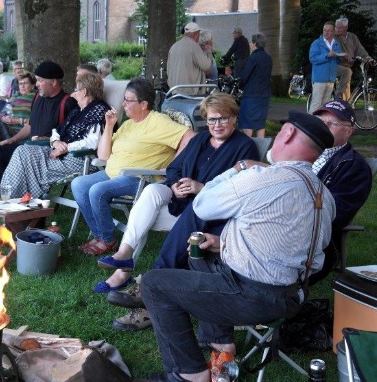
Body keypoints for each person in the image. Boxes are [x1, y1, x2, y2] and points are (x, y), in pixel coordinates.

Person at [141, 111, 336, 382]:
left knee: (153, 284)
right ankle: (220, 341)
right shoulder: (323, 194)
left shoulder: (262, 178)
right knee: (201, 256)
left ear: (288, 134)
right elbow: (295, 247)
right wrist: (224, 244)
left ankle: (188, 370)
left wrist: (238, 168)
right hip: (293, 296)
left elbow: (202, 204)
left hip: (253, 297)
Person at [94, 93, 259, 297]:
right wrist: (174, 185)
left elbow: (241, 189)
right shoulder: (199, 140)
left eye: (223, 119)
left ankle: (127, 274)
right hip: (178, 203)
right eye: (211, 119)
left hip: (204, 218)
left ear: (234, 118)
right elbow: (173, 168)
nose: (216, 125)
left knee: (142, 217)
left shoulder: (244, 147)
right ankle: (124, 254)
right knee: (152, 191)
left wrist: (201, 188)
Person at [71, 77, 195, 257]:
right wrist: (109, 126)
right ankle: (100, 235)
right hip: (112, 174)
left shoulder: (158, 122)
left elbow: (190, 137)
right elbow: (103, 156)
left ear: (143, 104)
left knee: (97, 190)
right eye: (124, 99)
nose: (123, 104)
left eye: (128, 100)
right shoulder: (128, 124)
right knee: (79, 184)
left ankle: (107, 240)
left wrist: (172, 166)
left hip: (140, 179)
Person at [0, 73, 110, 199]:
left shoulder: (99, 111)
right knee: (22, 151)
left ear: (84, 92)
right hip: (61, 154)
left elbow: (93, 142)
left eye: (76, 90)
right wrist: (55, 142)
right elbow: (57, 131)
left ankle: (11, 200)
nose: (73, 94)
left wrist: (66, 147)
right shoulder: (78, 111)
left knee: (29, 165)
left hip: (79, 159)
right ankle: (11, 199)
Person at [308, 99, 372, 283]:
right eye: (321, 121)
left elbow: (335, 215)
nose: (324, 127)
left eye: (333, 123)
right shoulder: (302, 150)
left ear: (349, 131)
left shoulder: (354, 168)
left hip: (315, 244)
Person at [0, 60, 78, 179]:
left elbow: (71, 137)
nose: (36, 84)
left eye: (40, 80)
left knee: (14, 156)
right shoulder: (38, 97)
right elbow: (30, 125)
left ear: (53, 82)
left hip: (46, 152)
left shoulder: (67, 103)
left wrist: (47, 139)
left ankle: (6, 187)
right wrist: (11, 140)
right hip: (29, 147)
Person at [238, 32, 273, 138]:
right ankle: (261, 147)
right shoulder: (268, 58)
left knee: (247, 124)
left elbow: (245, 76)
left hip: (251, 95)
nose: (249, 44)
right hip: (264, 95)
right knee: (260, 125)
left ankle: (246, 146)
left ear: (254, 43)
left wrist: (240, 85)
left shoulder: (253, 58)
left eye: (250, 42)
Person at [167, 22, 214, 96]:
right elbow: (206, 66)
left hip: (175, 91)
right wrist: (209, 51)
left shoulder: (174, 46)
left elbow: (168, 70)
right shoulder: (194, 46)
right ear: (195, 34)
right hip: (190, 92)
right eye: (199, 34)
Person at [309, 21, 342, 113]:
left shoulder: (336, 44)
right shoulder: (317, 43)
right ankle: (310, 121)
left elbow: (337, 60)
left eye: (329, 30)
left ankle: (321, 121)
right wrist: (327, 55)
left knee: (326, 105)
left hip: (330, 78)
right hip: (319, 78)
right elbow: (313, 59)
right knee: (316, 104)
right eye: (324, 30)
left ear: (334, 32)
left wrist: (341, 57)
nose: (326, 32)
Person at [334, 17, 370, 101]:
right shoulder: (334, 37)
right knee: (347, 72)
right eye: (336, 27)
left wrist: (369, 59)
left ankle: (345, 103)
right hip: (334, 64)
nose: (337, 29)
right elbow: (333, 50)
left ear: (346, 27)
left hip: (347, 66)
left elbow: (360, 50)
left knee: (347, 84)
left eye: (340, 27)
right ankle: (339, 96)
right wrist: (344, 56)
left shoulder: (352, 37)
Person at [0, 70, 37, 141]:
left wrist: (17, 121)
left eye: (25, 83)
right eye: (20, 83)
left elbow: (36, 120)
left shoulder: (36, 98)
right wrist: (4, 118)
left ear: (32, 85)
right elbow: (1, 115)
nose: (22, 86)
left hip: (23, 134)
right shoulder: (14, 97)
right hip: (7, 130)